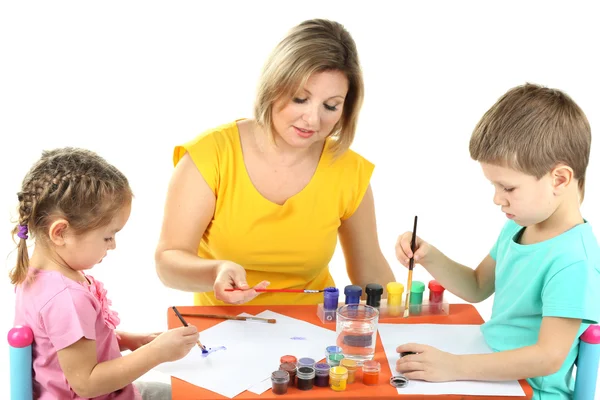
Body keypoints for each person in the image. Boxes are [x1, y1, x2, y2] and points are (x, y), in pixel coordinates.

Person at [155, 18, 395, 306]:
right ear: (273, 85)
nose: (313, 119)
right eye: (300, 99)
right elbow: (168, 263)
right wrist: (215, 272)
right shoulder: (211, 156)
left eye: (330, 106)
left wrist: (410, 312)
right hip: (222, 329)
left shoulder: (348, 170)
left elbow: (371, 275)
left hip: (314, 328)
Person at [394, 83, 600, 399]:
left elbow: (548, 358)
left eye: (508, 188)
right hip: (489, 370)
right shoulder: (518, 227)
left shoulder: (574, 260)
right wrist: (429, 256)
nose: (496, 199)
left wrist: (454, 367)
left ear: (559, 179)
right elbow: (477, 285)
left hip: (532, 391)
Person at [11, 148, 200, 400]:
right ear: (60, 233)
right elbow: (86, 384)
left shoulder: (39, 275)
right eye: (108, 236)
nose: (112, 245)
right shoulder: (66, 298)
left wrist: (132, 340)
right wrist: (157, 353)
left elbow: (69, 346)